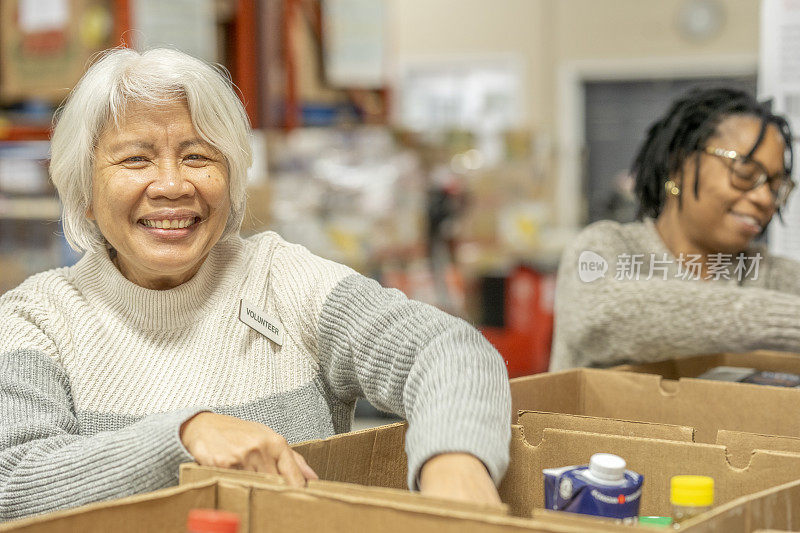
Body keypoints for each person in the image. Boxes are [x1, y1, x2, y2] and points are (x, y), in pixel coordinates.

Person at [0, 48, 511, 521]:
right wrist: (184, 437)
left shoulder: (282, 279)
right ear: (84, 189)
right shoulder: (36, 319)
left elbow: (445, 350)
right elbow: (14, 480)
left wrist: (454, 464)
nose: (173, 185)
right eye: (136, 158)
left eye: (198, 156)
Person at [550, 87, 800, 371]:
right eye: (745, 173)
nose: (765, 198)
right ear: (678, 165)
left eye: (776, 187)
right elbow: (601, 316)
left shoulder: (770, 275)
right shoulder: (606, 248)